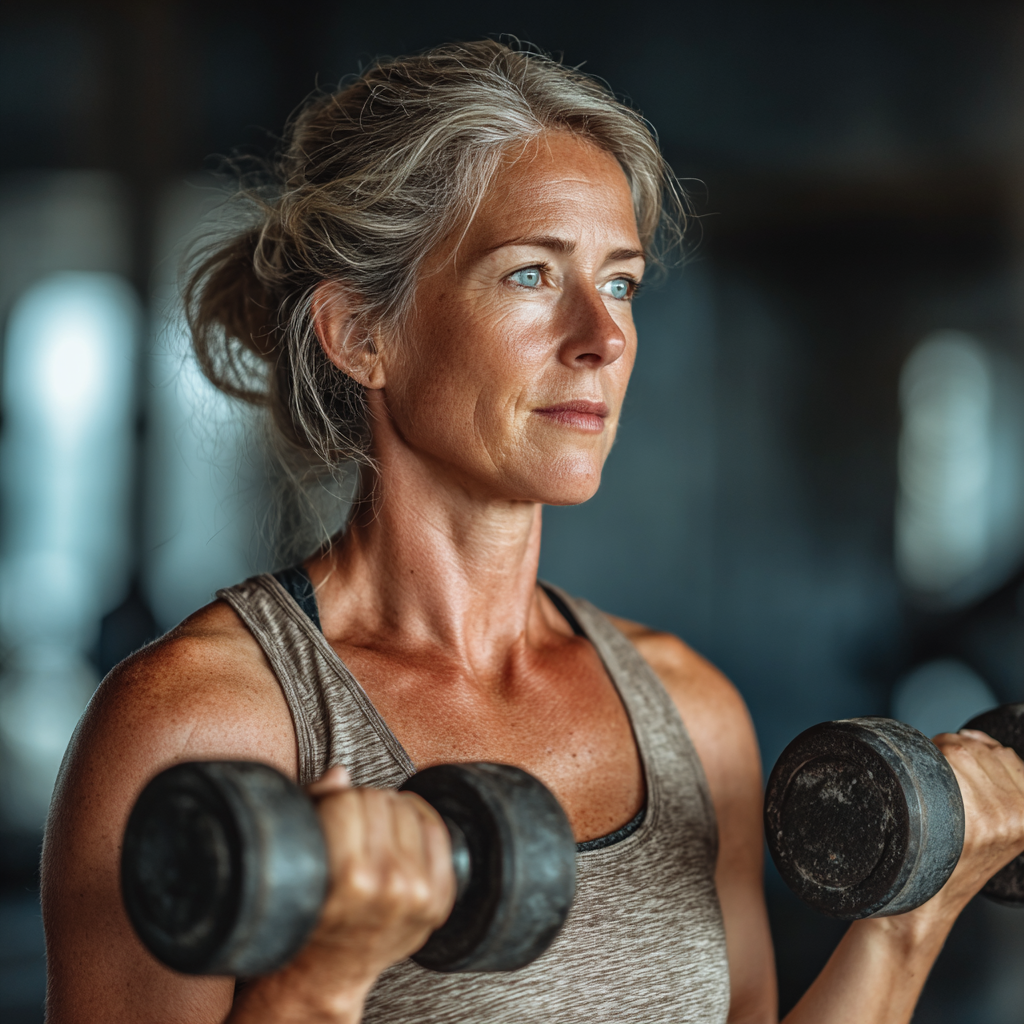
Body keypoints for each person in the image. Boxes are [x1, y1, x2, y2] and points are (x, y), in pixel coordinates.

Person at [41, 39, 1024, 1024]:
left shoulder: (690, 714)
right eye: (528, 275)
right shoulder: (198, 729)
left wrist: (915, 909)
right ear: (361, 334)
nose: (602, 336)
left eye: (622, 282)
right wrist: (316, 982)